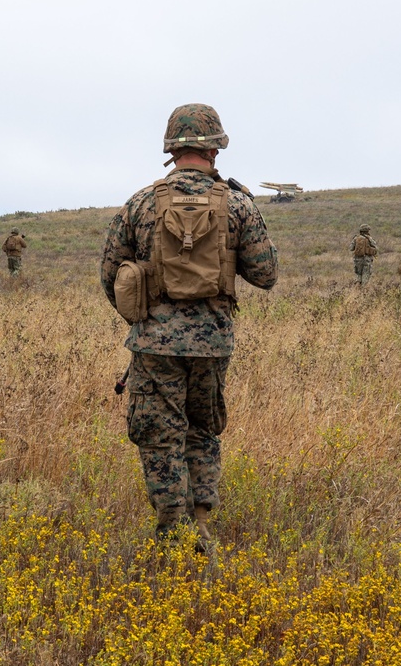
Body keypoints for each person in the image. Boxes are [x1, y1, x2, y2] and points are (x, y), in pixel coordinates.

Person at [100, 103, 278, 550]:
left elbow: (109, 274)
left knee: (160, 437)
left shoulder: (140, 203)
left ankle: (173, 533)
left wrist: (144, 320)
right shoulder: (237, 204)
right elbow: (266, 274)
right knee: (202, 429)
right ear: (215, 148)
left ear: (171, 149)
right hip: (213, 344)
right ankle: (200, 524)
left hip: (154, 344)